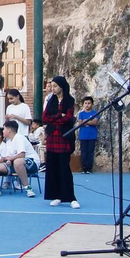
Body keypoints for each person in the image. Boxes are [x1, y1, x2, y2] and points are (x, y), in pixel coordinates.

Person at [41, 75, 78, 208]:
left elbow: (68, 118)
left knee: (64, 168)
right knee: (53, 168)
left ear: (61, 86)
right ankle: (56, 196)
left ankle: (70, 197)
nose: (53, 88)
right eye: (52, 86)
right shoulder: (51, 100)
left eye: (55, 86)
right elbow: (45, 117)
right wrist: (58, 116)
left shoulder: (69, 100)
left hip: (64, 137)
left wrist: (55, 118)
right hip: (52, 137)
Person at [0, 119, 38, 197]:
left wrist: (10, 159)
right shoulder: (8, 142)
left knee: (17, 162)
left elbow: (22, 155)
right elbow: (9, 157)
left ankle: (27, 187)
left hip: (31, 162)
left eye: (4, 129)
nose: (3, 131)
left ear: (9, 130)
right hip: (15, 163)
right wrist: (8, 161)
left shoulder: (19, 138)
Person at [74, 95, 100, 176]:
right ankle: (84, 168)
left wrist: (86, 121)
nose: (87, 105)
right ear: (83, 104)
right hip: (83, 136)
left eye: (89, 103)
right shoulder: (81, 114)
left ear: (92, 104)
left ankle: (89, 168)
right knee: (84, 152)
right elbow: (80, 123)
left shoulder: (95, 113)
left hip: (92, 136)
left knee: (90, 152)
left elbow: (95, 122)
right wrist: (88, 121)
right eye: (85, 103)